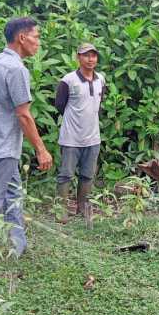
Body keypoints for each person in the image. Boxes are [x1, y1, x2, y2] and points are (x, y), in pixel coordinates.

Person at [0, 17, 53, 256]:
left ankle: (16, 246)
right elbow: (23, 115)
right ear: (21, 38)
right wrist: (41, 149)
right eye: (36, 37)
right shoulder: (16, 69)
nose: (38, 42)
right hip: (2, 147)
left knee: (13, 195)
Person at [54, 43, 106, 223]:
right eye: (86, 55)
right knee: (65, 175)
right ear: (78, 57)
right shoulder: (68, 80)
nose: (90, 59)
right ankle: (60, 211)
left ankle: (82, 209)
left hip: (93, 138)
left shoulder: (101, 80)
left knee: (87, 175)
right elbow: (60, 105)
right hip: (71, 138)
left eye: (93, 55)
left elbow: (98, 105)